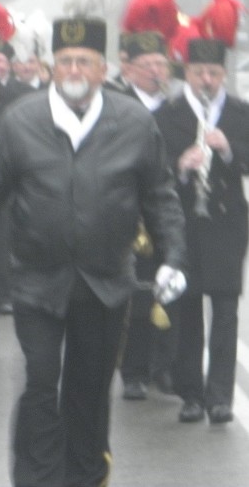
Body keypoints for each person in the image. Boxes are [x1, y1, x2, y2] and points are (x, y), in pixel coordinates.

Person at [0, 16, 187, 487]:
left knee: (89, 390)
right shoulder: (21, 121)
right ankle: (37, 478)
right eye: (65, 60)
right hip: (37, 281)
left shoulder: (133, 122)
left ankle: (86, 476)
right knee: (40, 381)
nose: (73, 69)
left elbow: (160, 196)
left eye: (84, 62)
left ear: (103, 68)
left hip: (106, 282)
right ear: (52, 66)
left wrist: (173, 256)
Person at [154, 33, 249, 425]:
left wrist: (228, 149)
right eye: (198, 73)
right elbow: (153, 169)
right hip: (185, 222)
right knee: (187, 307)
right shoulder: (168, 113)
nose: (206, 80)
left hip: (227, 222)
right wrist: (180, 166)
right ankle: (191, 393)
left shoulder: (241, 112)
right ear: (186, 74)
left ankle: (220, 398)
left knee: (226, 309)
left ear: (223, 75)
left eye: (212, 73)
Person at [112, 29, 179, 401]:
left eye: (161, 64)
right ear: (130, 67)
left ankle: (165, 366)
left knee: (170, 290)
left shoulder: (175, 109)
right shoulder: (115, 103)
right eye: (148, 64)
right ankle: (134, 370)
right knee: (136, 296)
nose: (157, 71)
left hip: (167, 211)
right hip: (129, 211)